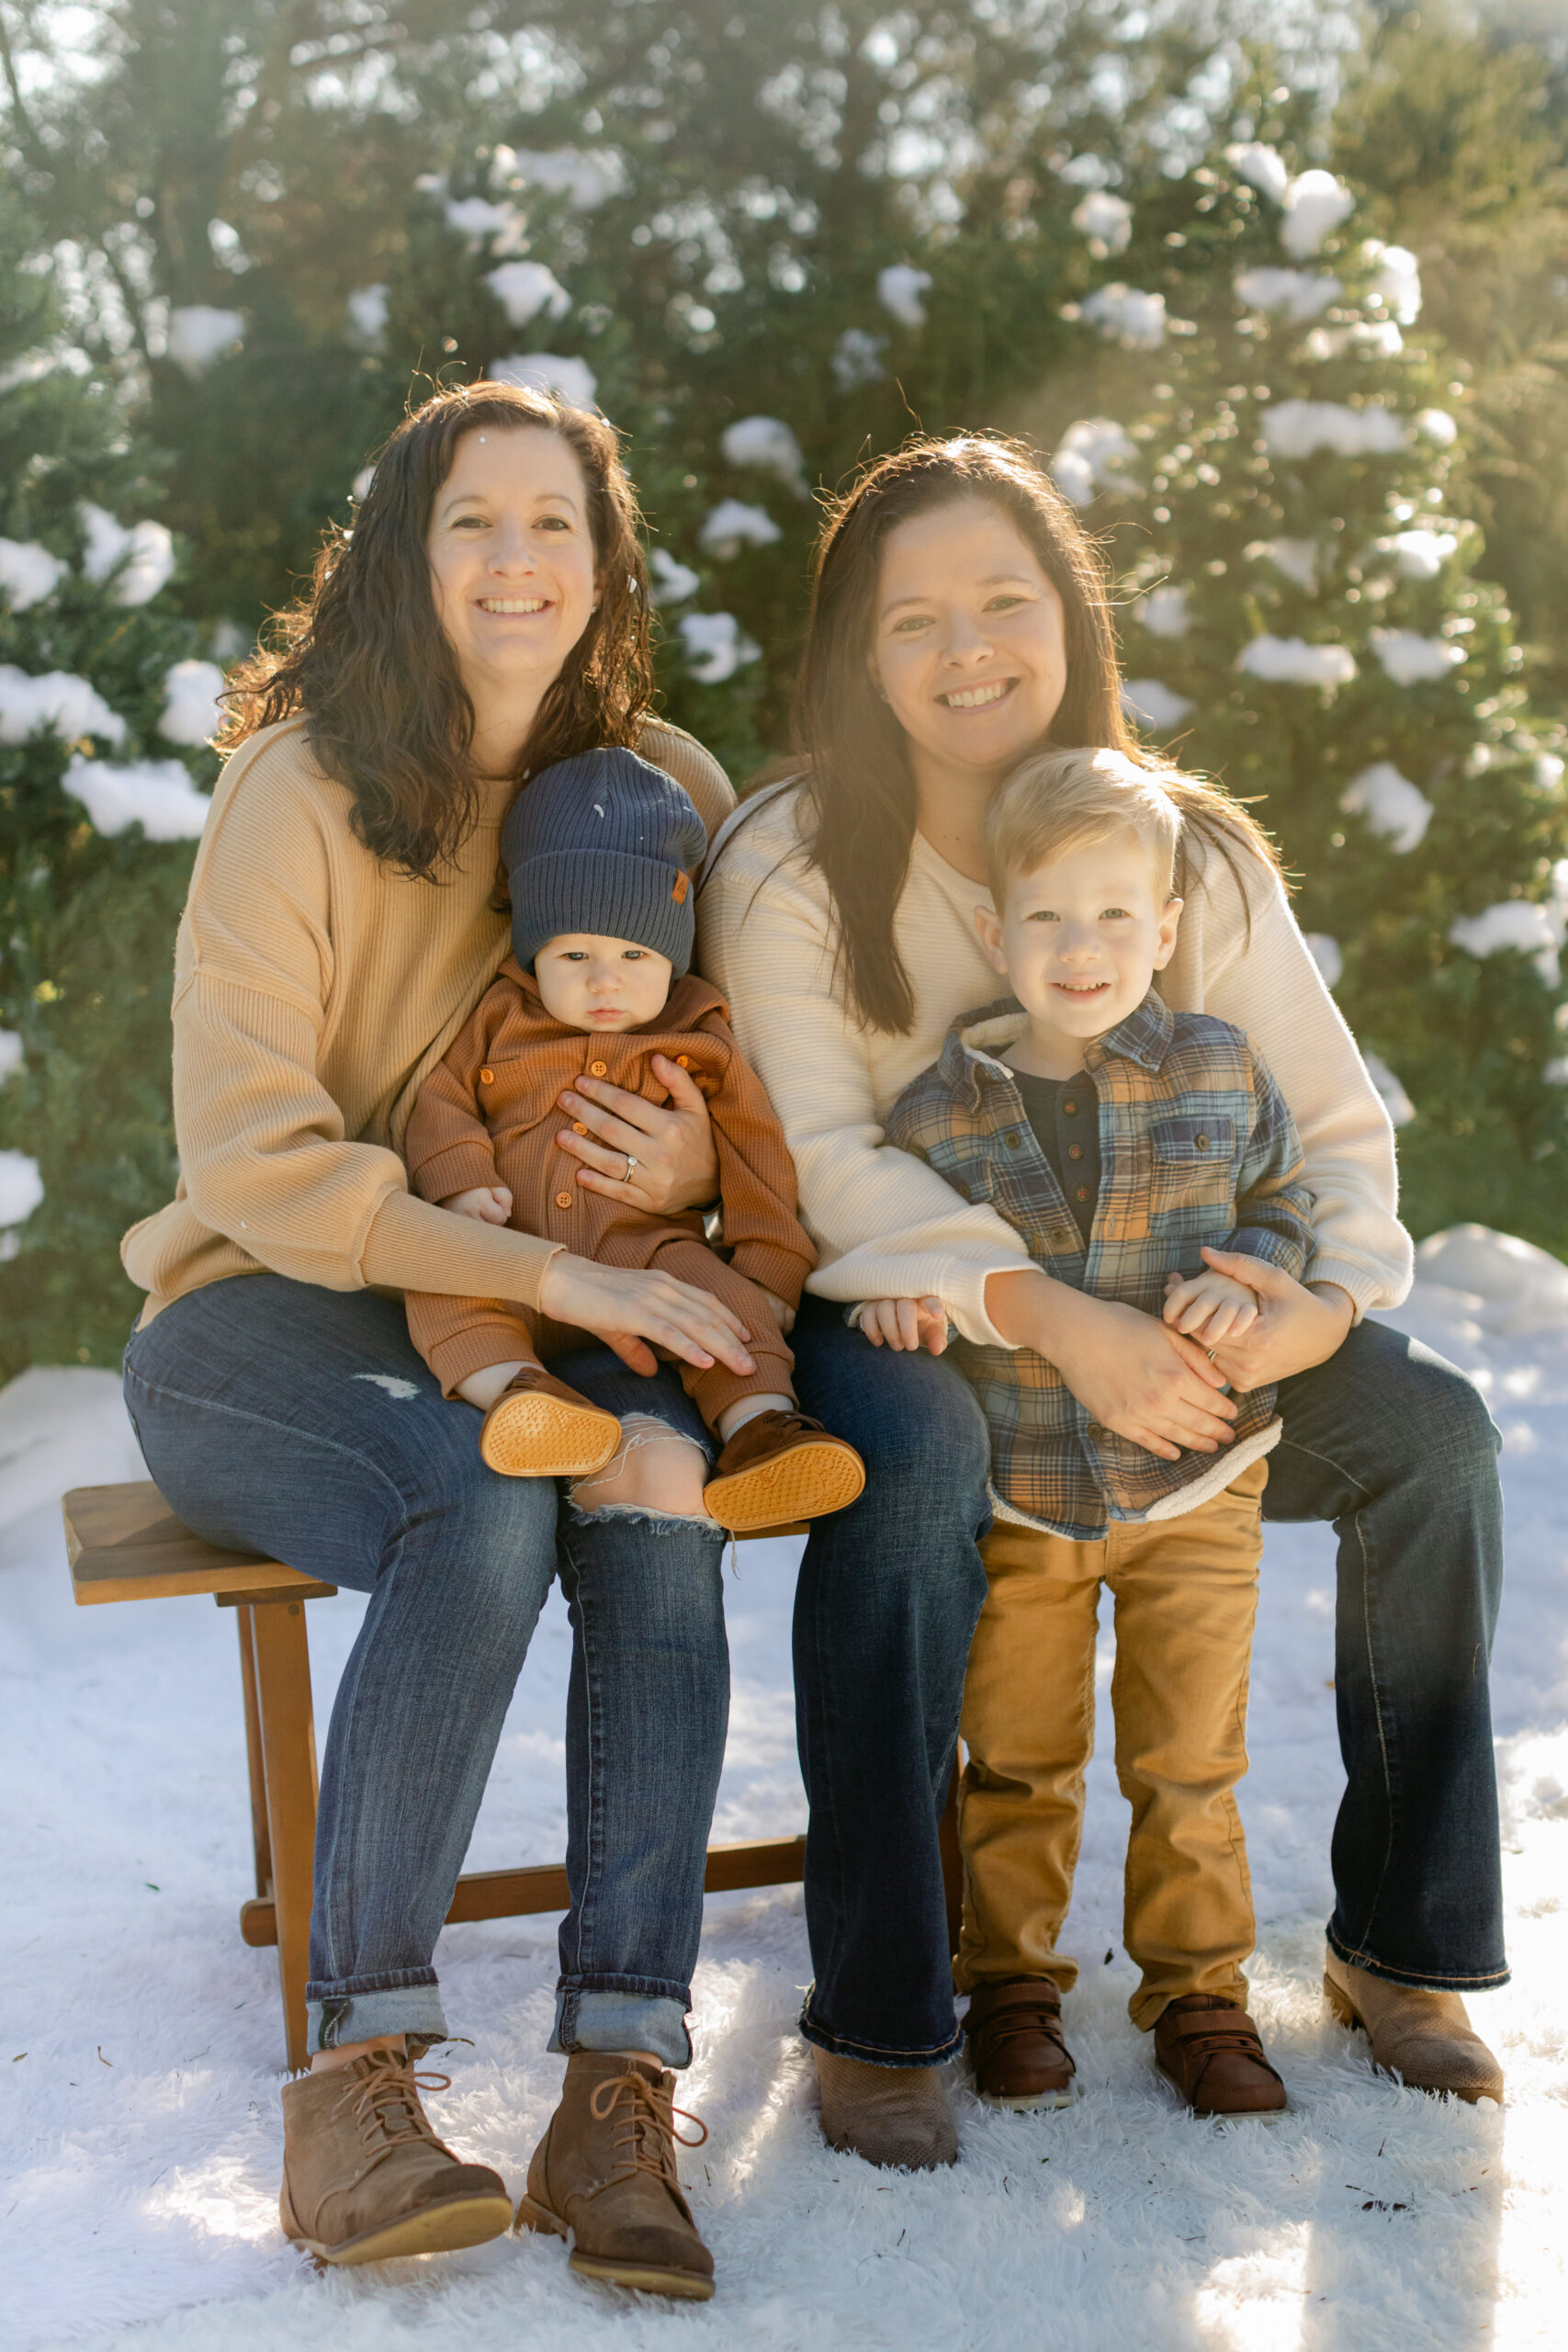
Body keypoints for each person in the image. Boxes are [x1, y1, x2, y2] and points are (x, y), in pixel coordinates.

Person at [700, 432, 1506, 2170]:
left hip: (1189, 1306)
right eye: (913, 617)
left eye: (1005, 600)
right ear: (854, 649)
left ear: (1068, 619)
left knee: (1430, 1437)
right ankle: (891, 2011)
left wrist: (1314, 1306)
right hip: (922, 1310)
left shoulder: (1179, 848)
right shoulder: (786, 859)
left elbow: (1333, 1126)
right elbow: (829, 1163)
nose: (966, 646)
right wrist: (1056, 1320)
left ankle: (1402, 1950)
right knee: (906, 1469)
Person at [120, 380, 755, 2299]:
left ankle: (616, 2089)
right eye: (470, 519)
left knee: (656, 1476)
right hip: (261, 1316)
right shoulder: (300, 788)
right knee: (479, 1495)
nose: (513, 559)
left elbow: (745, 1088)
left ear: (605, 560)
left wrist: (715, 1150)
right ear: (405, 550)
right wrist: (554, 1288)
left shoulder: (663, 795)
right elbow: (251, 1153)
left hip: (539, 1307)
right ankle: (355, 2077)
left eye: (553, 522)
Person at [868, 745, 1313, 2120]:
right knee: (1015, 1756)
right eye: (1049, 918)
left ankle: (1197, 1995)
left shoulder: (1219, 1069)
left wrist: (1247, 1269)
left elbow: (1288, 1200)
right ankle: (1007, 1986)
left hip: (1197, 1478)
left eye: (1116, 916)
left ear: (1164, 931)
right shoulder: (937, 1112)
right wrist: (908, 1309)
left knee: (1186, 1758)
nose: (1082, 949)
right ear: (995, 932)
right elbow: (915, 1257)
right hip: (1024, 1491)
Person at [402, 741, 864, 1531]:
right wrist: (458, 1180)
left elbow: (756, 1157)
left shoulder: (701, 1032)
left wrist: (767, 1272)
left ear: (674, 951)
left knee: (722, 1309)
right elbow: (436, 1099)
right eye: (573, 953)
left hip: (645, 1252)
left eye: (633, 954)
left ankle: (759, 1428)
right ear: (533, 950)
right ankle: (523, 1394)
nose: (603, 979)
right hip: (510, 1248)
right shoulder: (495, 1016)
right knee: (444, 1285)